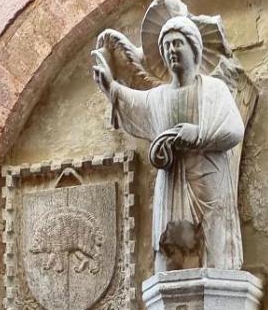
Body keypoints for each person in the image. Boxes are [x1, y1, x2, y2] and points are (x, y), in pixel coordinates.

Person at [92, 14, 245, 272]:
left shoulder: (214, 89)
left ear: (194, 48)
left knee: (213, 250)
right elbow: (133, 103)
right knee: (171, 252)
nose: (171, 50)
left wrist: (198, 135)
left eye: (177, 43)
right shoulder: (158, 97)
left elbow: (234, 130)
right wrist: (110, 87)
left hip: (207, 183)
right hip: (171, 181)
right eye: (166, 46)